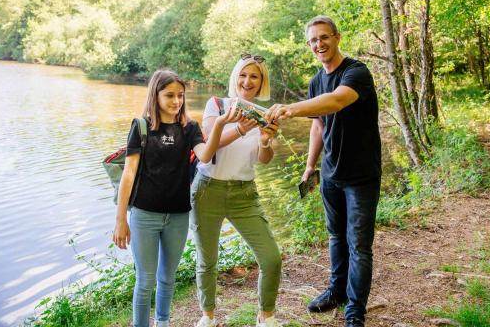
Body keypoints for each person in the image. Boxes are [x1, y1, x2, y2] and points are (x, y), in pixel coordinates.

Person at [265, 16, 381, 327]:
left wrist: (290, 108)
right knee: (335, 237)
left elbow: (337, 101)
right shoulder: (316, 81)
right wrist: (309, 167)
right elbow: (319, 124)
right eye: (314, 40)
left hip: (361, 176)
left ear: (337, 37)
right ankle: (336, 291)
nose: (320, 44)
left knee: (359, 244)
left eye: (324, 37)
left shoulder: (356, 72)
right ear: (309, 45)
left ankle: (355, 311)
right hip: (331, 174)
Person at [113, 70, 241, 327]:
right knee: (146, 280)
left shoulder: (190, 127)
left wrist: (218, 124)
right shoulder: (141, 127)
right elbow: (128, 175)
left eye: (180, 95)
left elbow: (205, 156)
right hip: (144, 215)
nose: (176, 101)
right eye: (169, 95)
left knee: (167, 278)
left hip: (179, 216)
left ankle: (163, 322)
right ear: (155, 95)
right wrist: (121, 220)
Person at [192, 53, 283, 327]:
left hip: (244, 194)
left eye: (254, 76)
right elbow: (209, 142)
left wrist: (266, 140)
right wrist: (241, 129)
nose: (247, 81)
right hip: (208, 190)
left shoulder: (263, 115)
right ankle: (207, 316)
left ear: (261, 82)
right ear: (235, 78)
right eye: (243, 75)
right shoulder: (217, 104)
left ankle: (265, 316)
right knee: (207, 261)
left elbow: (263, 159)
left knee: (272, 258)